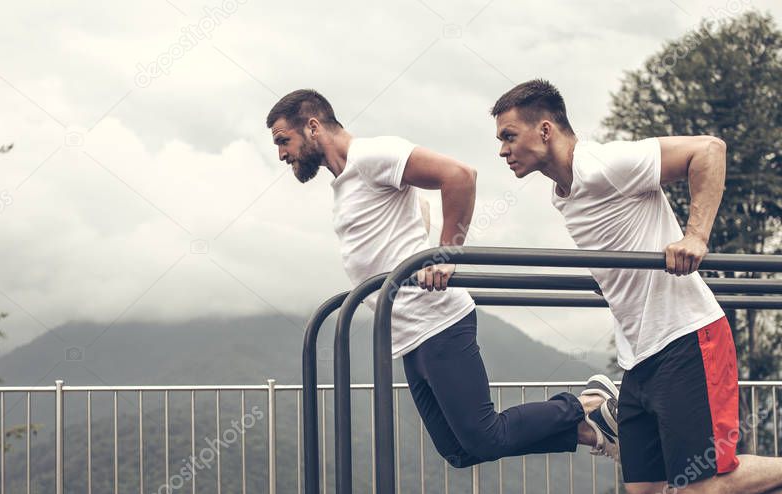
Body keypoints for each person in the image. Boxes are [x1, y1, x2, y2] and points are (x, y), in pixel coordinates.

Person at [489, 79, 782, 494]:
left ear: (544, 129)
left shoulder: (603, 164)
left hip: (687, 337)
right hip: (640, 354)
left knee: (700, 488)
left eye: (509, 136)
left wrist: (695, 236)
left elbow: (708, 151)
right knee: (647, 491)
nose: (502, 149)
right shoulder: (565, 193)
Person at [266, 88, 620, 468]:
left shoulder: (372, 155)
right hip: (405, 334)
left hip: (437, 319)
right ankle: (588, 427)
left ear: (313, 127)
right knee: (458, 450)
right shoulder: (345, 181)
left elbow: (459, 176)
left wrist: (446, 252)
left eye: (283, 141)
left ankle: (587, 405)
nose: (282, 154)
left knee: (485, 435)